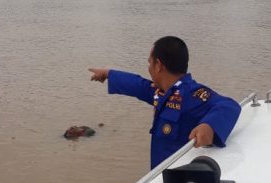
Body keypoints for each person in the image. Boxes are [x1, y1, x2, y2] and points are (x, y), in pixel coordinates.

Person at [89, 36, 241, 169]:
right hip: (159, 175)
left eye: (149, 63)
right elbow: (138, 85)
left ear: (158, 65)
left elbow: (229, 105)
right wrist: (108, 73)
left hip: (180, 177)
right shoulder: (161, 92)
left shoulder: (192, 94)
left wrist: (209, 125)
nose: (148, 68)